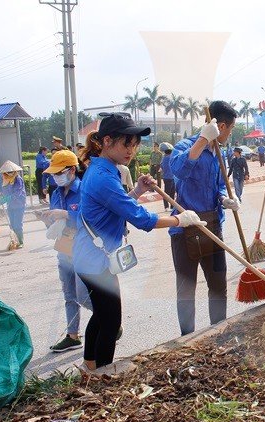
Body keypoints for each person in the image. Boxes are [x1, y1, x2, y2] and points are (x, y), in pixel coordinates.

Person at [73, 113, 203, 372]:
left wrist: (137, 191)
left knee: (102, 314)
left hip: (89, 256)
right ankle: (103, 374)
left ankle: (90, 367)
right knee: (111, 320)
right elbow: (142, 219)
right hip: (95, 261)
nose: (131, 151)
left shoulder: (102, 169)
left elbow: (113, 206)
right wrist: (180, 220)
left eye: (135, 144)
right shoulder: (103, 176)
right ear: (107, 141)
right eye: (126, 144)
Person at [169, 100, 239, 336]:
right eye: (229, 129)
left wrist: (224, 199)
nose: (230, 134)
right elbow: (178, 170)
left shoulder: (220, 153)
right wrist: (202, 140)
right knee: (186, 291)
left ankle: (219, 333)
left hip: (213, 225)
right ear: (220, 126)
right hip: (185, 229)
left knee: (218, 285)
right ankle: (186, 339)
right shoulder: (186, 146)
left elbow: (218, 186)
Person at [42, 150, 93, 353]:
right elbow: (55, 222)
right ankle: (73, 336)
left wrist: (66, 214)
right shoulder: (56, 193)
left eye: (59, 173)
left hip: (83, 250)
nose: (55, 177)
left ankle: (110, 320)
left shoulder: (85, 190)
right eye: (53, 174)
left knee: (82, 295)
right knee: (69, 294)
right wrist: (48, 220)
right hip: (64, 248)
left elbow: (89, 217)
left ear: (72, 170)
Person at [0, 161, 27, 249]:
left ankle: (20, 241)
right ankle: (15, 240)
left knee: (17, 224)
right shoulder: (4, 180)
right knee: (12, 224)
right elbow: (3, 192)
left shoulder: (18, 179)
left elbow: (18, 192)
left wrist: (7, 198)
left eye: (10, 172)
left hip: (19, 204)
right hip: (10, 205)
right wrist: (1, 194)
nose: (8, 174)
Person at [160, 142, 175, 208]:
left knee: (167, 193)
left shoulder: (164, 158)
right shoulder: (171, 158)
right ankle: (171, 206)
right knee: (172, 193)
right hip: (171, 178)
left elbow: (162, 167)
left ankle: (167, 206)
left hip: (166, 178)